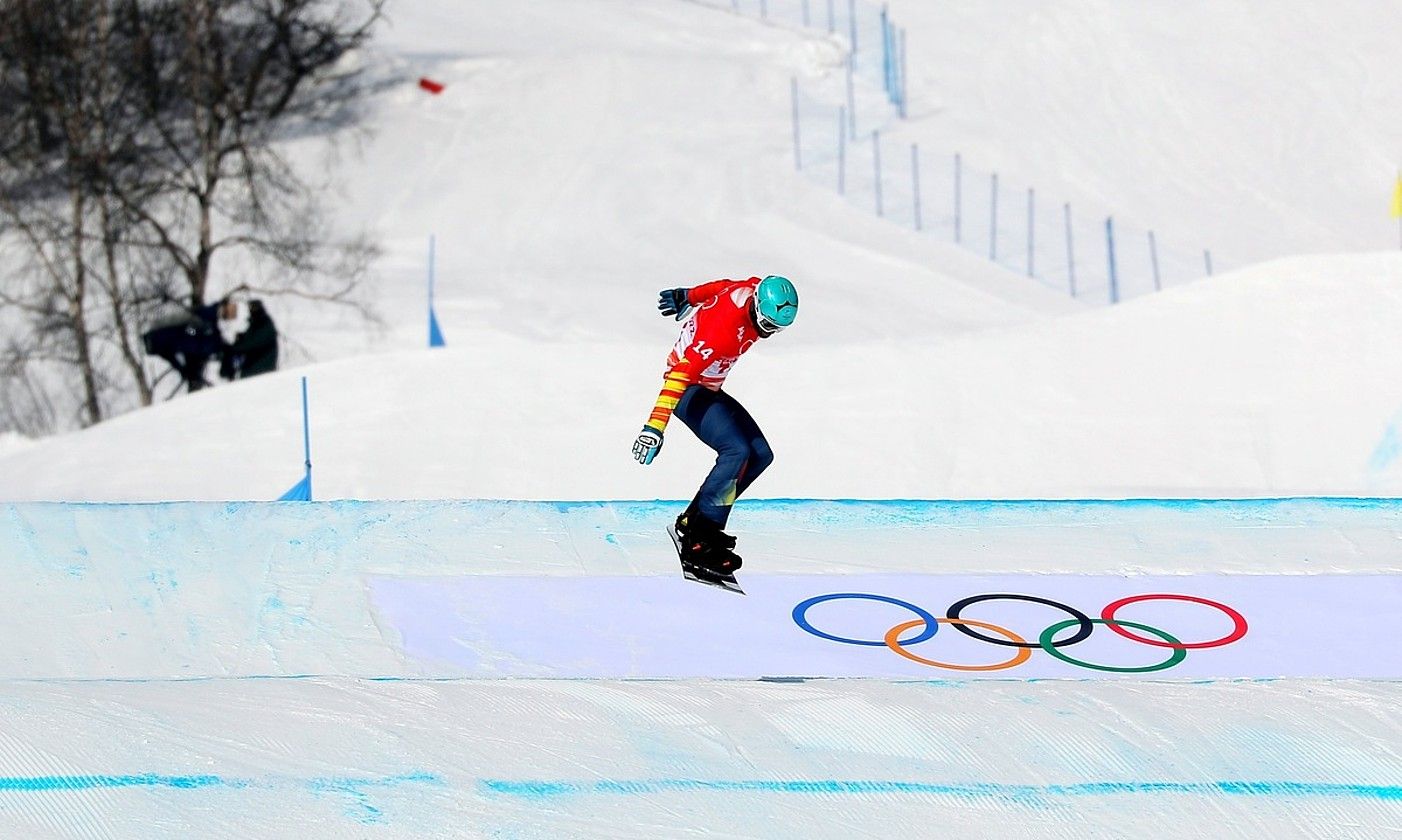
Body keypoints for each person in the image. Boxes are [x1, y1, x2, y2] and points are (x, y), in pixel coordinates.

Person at [632, 275, 799, 578]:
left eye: (778, 328)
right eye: (768, 325)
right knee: (736, 451)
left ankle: (694, 521)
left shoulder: (754, 289)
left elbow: (723, 285)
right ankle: (699, 540)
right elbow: (679, 375)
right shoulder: (721, 332)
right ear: (758, 309)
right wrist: (654, 427)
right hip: (687, 391)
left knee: (760, 454)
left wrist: (689, 295)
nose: (769, 333)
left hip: (706, 388)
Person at [217, 297, 279, 381]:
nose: (252, 310)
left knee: (231, 352)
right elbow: (250, 340)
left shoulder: (265, 324)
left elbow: (253, 342)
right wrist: (241, 337)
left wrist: (234, 347)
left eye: (254, 307)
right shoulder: (255, 323)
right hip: (254, 363)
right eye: (251, 307)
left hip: (262, 367)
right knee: (230, 355)